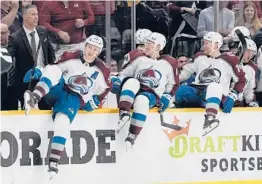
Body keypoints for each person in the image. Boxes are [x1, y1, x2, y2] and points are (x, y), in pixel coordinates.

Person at [22, 35, 111, 179]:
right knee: (55, 71)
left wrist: (94, 102)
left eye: (95, 49)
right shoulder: (71, 56)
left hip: (74, 100)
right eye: (89, 47)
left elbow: (105, 89)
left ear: (98, 52)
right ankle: (34, 98)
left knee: (62, 123)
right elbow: (52, 69)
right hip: (59, 90)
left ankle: (53, 162)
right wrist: (38, 71)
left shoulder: (103, 70)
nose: (91, 51)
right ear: (85, 46)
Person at [111, 32, 179, 151]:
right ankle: (124, 113)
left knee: (142, 100)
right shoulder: (139, 59)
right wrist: (116, 80)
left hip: (151, 95)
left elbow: (173, 84)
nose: (146, 46)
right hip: (134, 90)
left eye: (150, 44)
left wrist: (167, 96)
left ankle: (132, 135)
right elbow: (124, 74)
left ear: (158, 47)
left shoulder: (169, 63)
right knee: (133, 82)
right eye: (146, 43)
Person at [176, 32, 246, 136]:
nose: (204, 46)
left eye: (207, 43)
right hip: (197, 93)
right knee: (180, 90)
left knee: (214, 86)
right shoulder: (199, 56)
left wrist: (233, 94)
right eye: (204, 43)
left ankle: (210, 120)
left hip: (215, 96)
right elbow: (184, 74)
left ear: (216, 45)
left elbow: (241, 80)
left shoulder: (230, 60)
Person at [7, 4, 56, 110]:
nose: (36, 17)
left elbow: (50, 53)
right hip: (26, 81)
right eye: (33, 14)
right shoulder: (15, 38)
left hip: (44, 78)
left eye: (37, 14)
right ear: (24, 16)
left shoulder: (43, 31)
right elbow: (9, 59)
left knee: (46, 108)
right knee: (27, 110)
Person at [235, 38, 259, 107]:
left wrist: (251, 101)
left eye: (252, 52)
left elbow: (250, 88)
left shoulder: (252, 67)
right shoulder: (229, 62)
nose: (250, 55)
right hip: (223, 102)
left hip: (239, 103)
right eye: (248, 51)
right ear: (240, 50)